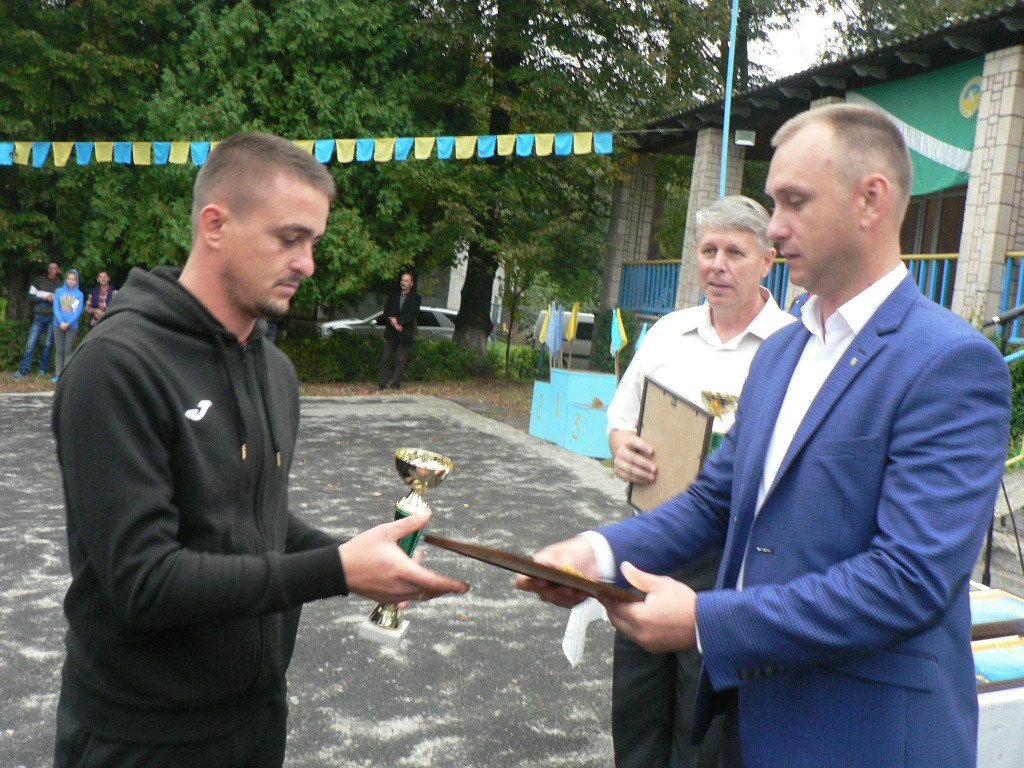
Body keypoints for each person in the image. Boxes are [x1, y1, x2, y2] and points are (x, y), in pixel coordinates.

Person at [517, 103, 1011, 768]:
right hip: (747, 724)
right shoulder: (782, 354)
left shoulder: (950, 362)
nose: (774, 227)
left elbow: (908, 579)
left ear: (871, 200)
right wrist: (596, 552)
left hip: (859, 738)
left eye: (794, 201)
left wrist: (704, 621)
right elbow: (714, 501)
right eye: (774, 202)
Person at [51, 132, 470, 768]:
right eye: (289, 238)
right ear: (214, 225)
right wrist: (337, 570)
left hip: (257, 720)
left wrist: (361, 554)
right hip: (141, 735)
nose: (308, 263)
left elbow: (254, 519)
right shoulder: (116, 366)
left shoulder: (275, 370)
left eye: (314, 242)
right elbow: (143, 581)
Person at [603, 196, 795, 768]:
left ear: (767, 261)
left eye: (735, 252)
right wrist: (623, 450)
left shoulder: (792, 347)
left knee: (701, 726)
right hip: (651, 542)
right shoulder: (667, 332)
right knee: (635, 711)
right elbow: (621, 419)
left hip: (730, 563)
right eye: (709, 250)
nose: (718, 265)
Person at [14, 261, 61, 378]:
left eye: (54, 268)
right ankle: (23, 369)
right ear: (47, 269)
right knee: (31, 343)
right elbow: (30, 296)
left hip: (52, 317)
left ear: (58, 270)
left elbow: (62, 302)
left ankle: (43, 369)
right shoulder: (39, 280)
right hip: (39, 316)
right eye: (50, 268)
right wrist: (44, 298)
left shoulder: (60, 285)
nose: (52, 270)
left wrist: (54, 300)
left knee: (48, 344)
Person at [376, 271, 421, 391]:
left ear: (411, 283)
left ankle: (396, 384)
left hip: (405, 333)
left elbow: (412, 314)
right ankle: (382, 383)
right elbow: (387, 311)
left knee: (401, 360)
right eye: (402, 280)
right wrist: (394, 323)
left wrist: (400, 322)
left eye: (406, 280)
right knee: (386, 358)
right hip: (391, 332)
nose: (403, 283)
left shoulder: (416, 298)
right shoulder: (393, 296)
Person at [52, 268, 85, 382]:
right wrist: (61, 322)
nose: (71, 281)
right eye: (69, 279)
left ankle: (66, 374)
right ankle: (58, 373)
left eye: (73, 279)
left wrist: (68, 323)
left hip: (72, 326)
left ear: (76, 281)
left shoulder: (79, 294)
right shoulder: (59, 291)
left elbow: (78, 311)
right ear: (66, 280)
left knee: (68, 350)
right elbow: (56, 307)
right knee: (59, 350)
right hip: (58, 324)